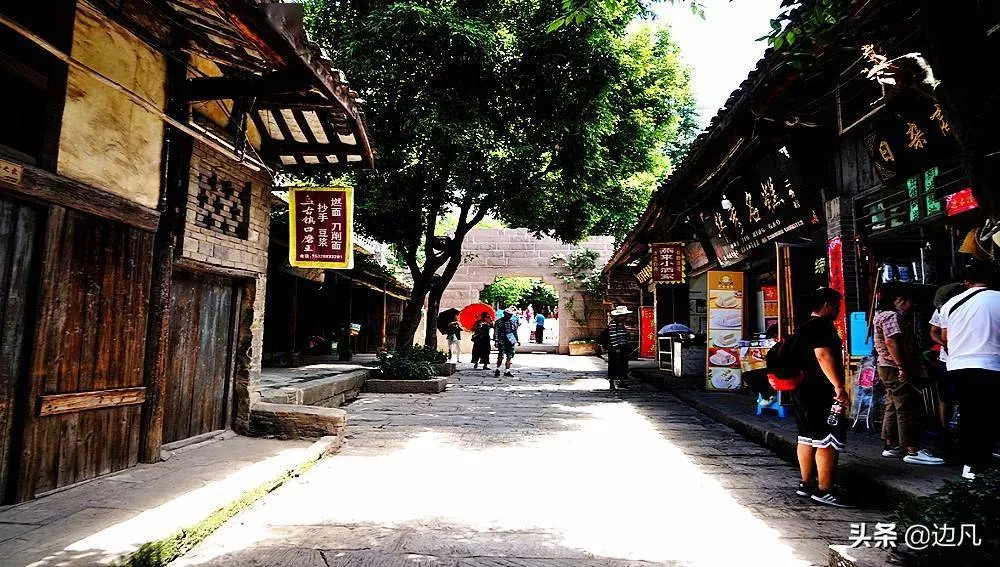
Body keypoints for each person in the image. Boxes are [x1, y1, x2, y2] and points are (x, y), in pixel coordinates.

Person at [939, 259, 1000, 480]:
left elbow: (945, 337)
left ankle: (970, 465)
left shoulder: (950, 304)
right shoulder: (998, 298)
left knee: (969, 413)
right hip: (991, 365)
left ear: (966, 281)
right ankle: (982, 462)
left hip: (958, 366)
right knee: (988, 414)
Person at [791, 288, 851, 507]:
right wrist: (838, 386)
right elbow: (823, 355)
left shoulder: (803, 326)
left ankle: (806, 483)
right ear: (827, 304)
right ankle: (824, 489)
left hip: (802, 390)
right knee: (828, 438)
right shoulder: (821, 327)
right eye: (837, 305)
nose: (838, 310)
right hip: (821, 391)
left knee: (806, 437)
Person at [872, 285, 944, 465]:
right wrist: (902, 367)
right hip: (893, 366)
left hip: (886, 365)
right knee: (905, 405)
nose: (911, 305)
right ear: (899, 301)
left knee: (893, 403)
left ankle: (891, 444)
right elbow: (891, 342)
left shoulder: (880, 315)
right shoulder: (891, 316)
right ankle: (912, 448)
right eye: (908, 301)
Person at [928, 283, 965, 430]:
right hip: (947, 360)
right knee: (944, 396)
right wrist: (944, 344)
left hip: (963, 358)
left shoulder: (968, 309)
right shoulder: (942, 309)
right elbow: (934, 332)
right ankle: (944, 428)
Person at [602, 306, 632, 390]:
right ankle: (612, 382)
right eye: (624, 315)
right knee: (613, 365)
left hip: (622, 347)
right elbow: (613, 336)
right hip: (615, 348)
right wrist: (616, 347)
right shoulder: (613, 324)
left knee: (622, 365)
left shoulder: (621, 323)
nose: (626, 317)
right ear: (620, 315)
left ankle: (621, 381)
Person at [494, 306, 520, 378]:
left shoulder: (512, 322)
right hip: (502, 339)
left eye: (510, 315)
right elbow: (496, 332)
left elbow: (514, 331)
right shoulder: (499, 321)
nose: (509, 316)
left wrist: (517, 340)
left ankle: (507, 370)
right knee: (501, 355)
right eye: (508, 315)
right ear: (505, 314)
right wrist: (496, 340)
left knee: (510, 355)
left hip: (510, 340)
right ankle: (498, 369)